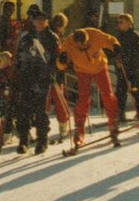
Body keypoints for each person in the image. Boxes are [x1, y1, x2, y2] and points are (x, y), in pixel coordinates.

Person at [58, 26, 121, 147]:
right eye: (80, 46)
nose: (83, 47)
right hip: (82, 70)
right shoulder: (69, 43)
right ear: (75, 43)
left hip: (100, 67)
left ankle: (113, 123)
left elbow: (109, 40)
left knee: (108, 95)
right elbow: (61, 61)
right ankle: (79, 130)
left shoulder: (94, 35)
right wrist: (61, 61)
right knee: (83, 99)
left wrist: (115, 46)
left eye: (85, 44)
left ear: (88, 39)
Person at [12, 10, 55, 154]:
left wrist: (52, 71)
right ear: (33, 21)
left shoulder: (52, 37)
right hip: (26, 77)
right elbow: (18, 55)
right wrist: (19, 68)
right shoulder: (26, 37)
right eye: (37, 20)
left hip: (42, 78)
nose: (40, 22)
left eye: (43, 20)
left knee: (40, 111)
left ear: (47, 21)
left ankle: (42, 140)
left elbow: (56, 58)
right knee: (23, 109)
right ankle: (24, 139)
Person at [111, 14, 139, 126]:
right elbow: (112, 50)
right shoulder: (117, 37)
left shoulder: (135, 36)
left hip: (133, 68)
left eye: (121, 22)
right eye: (118, 22)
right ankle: (120, 112)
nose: (119, 25)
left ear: (129, 23)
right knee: (121, 91)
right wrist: (116, 58)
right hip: (121, 69)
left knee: (136, 89)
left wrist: (132, 56)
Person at [45, 13, 73, 141]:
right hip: (54, 71)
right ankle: (62, 126)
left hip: (50, 71)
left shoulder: (50, 35)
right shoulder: (55, 36)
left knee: (48, 99)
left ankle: (46, 125)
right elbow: (59, 52)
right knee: (58, 100)